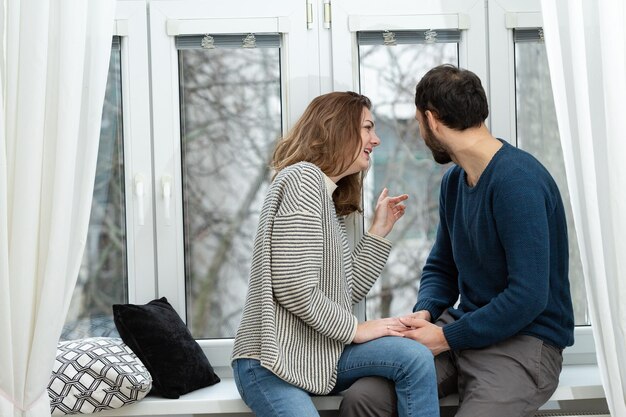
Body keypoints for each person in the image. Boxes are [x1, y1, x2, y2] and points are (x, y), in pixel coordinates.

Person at [339, 65, 575, 417]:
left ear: (432, 121)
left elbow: (528, 297)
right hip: (463, 330)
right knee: (364, 399)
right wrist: (427, 310)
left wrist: (447, 338)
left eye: (418, 123)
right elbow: (441, 266)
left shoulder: (518, 182)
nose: (421, 132)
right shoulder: (454, 183)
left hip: (524, 342)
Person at [231, 91, 440, 417]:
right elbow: (292, 286)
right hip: (270, 360)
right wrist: (356, 330)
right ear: (339, 128)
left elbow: (345, 291)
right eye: (368, 128)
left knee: (414, 357)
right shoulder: (303, 179)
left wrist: (377, 233)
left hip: (315, 352)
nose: (377, 139)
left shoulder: (324, 197)